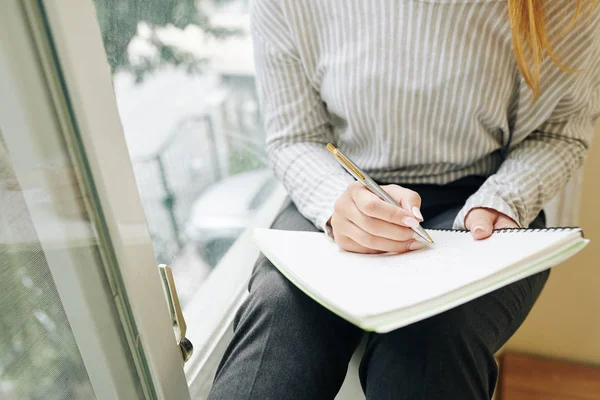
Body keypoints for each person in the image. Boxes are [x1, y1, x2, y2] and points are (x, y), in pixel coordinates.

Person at [209, 0, 600, 398]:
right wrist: (335, 202)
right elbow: (295, 138)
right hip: (342, 193)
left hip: (481, 196)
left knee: (432, 338)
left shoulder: (564, 7)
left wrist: (503, 199)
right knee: (281, 315)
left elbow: (558, 132)